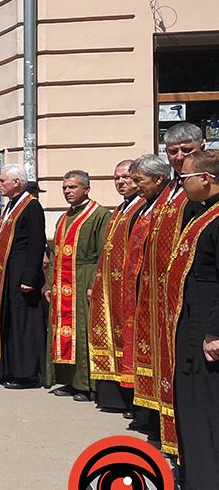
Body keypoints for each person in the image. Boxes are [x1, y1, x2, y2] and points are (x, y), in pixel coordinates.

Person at [135, 123, 206, 455]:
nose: (178, 157)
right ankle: (169, 433)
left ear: (201, 149)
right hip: (162, 295)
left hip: (189, 299)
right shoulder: (172, 191)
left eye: (186, 150)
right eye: (173, 151)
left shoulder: (198, 193)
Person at [168, 150, 219, 490]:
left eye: (184, 178)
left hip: (208, 321)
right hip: (193, 317)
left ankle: (209, 486)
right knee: (192, 399)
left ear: (206, 178)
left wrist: (215, 331)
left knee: (207, 403)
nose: (180, 184)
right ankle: (196, 474)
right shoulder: (202, 213)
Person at [44, 170, 108, 402]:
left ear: (86, 189)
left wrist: (95, 284)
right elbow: (54, 254)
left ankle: (86, 384)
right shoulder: (63, 218)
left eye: (72, 187)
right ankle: (68, 380)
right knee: (62, 332)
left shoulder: (99, 214)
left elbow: (103, 253)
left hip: (84, 278)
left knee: (82, 332)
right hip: (62, 282)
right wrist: (50, 283)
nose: (68, 192)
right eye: (65, 188)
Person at [0, 163, 47, 388]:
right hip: (6, 273)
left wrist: (30, 277)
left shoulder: (32, 206)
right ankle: (8, 367)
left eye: (2, 181)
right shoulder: (11, 205)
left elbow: (36, 244)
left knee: (23, 323)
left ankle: (25, 373)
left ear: (16, 182)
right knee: (8, 320)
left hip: (21, 272)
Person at [87, 159, 142, 413]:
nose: (121, 182)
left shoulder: (141, 208)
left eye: (126, 177)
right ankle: (112, 396)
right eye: (116, 178)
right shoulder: (120, 209)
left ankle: (131, 398)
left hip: (127, 288)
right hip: (109, 286)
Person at [123, 155, 172, 431]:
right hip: (141, 291)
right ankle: (145, 412)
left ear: (158, 179)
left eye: (138, 180)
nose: (134, 185)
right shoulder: (145, 206)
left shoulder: (167, 205)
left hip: (158, 294)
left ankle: (155, 417)